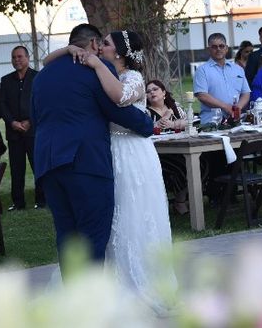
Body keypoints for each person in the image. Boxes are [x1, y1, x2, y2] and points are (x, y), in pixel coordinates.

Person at [43, 29, 175, 312]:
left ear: (119, 52)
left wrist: (94, 63)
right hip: (105, 152)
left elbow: (117, 98)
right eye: (99, 42)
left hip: (131, 152)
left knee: (130, 215)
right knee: (109, 221)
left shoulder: (131, 77)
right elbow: (46, 60)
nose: (99, 47)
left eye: (105, 44)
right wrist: (69, 50)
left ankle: (134, 285)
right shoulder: (99, 71)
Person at [32, 24, 154, 275]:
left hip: (48, 163)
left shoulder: (42, 75)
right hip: (85, 163)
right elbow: (114, 109)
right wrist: (146, 123)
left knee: (67, 236)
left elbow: (35, 118)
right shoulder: (96, 69)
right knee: (93, 238)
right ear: (94, 45)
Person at [0, 46, 43, 211]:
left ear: (27, 57)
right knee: (17, 169)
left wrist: (30, 121)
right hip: (14, 132)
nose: (16, 60)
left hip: (33, 130)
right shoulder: (6, 80)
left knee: (38, 166)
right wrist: (12, 123)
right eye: (13, 57)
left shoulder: (38, 78)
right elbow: (1, 104)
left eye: (19, 57)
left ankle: (41, 200)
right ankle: (18, 203)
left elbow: (41, 102)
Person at [146, 79, 193, 215]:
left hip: (180, 148)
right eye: (148, 92)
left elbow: (189, 122)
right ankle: (179, 202)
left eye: (155, 89)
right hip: (159, 153)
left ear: (164, 93)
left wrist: (173, 124)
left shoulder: (175, 107)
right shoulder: (146, 112)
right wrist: (162, 120)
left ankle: (181, 199)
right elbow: (148, 128)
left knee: (202, 163)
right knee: (180, 168)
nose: (152, 93)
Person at [193, 33, 251, 126]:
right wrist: (225, 106)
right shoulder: (202, 70)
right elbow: (202, 95)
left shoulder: (238, 69)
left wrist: (238, 108)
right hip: (211, 123)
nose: (218, 49)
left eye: (221, 46)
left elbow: (246, 93)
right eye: (214, 47)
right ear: (209, 49)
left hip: (236, 121)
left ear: (226, 48)